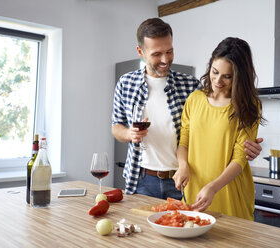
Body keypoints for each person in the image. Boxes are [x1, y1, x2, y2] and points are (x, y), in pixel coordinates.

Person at [111, 18, 263, 199]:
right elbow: (116, 126)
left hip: (183, 180)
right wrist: (129, 134)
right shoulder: (125, 83)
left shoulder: (191, 85)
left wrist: (246, 148)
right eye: (157, 54)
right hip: (141, 179)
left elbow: (218, 119)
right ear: (140, 52)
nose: (165, 59)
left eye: (169, 51)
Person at [173, 37, 265, 220]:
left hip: (229, 194)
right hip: (196, 192)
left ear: (240, 77)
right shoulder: (195, 99)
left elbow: (240, 158)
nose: (217, 80)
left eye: (227, 76)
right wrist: (183, 166)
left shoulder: (249, 105)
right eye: (214, 72)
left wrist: (213, 187)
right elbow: (184, 142)